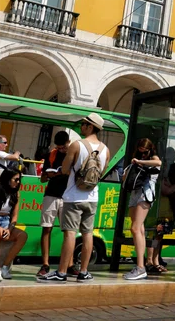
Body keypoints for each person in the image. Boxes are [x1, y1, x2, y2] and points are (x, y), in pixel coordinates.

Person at [38, 113, 109, 282]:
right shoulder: (106, 149)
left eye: (84, 124)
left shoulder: (76, 145)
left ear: (90, 126)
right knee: (87, 233)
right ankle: (84, 271)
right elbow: (102, 172)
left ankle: (61, 272)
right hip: (92, 197)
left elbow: (64, 169)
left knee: (70, 233)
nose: (81, 127)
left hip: (73, 196)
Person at [123, 138, 161, 280]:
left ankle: (140, 267)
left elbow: (158, 163)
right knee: (139, 229)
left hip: (145, 194)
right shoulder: (136, 160)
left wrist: (141, 162)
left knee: (135, 228)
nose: (143, 154)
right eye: (140, 152)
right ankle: (142, 264)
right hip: (134, 193)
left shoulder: (153, 159)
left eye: (145, 152)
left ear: (150, 150)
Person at [36, 131, 68, 277]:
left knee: (68, 232)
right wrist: (51, 174)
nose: (61, 149)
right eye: (59, 147)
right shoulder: (51, 155)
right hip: (51, 194)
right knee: (46, 229)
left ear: (68, 142)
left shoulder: (73, 153)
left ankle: (70, 263)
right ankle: (45, 264)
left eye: (63, 147)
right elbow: (42, 179)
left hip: (67, 196)